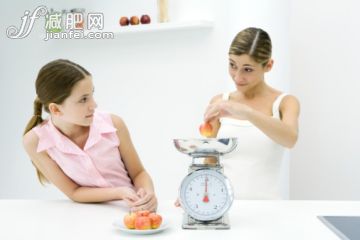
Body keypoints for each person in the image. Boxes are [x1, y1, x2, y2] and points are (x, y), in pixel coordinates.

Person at [23, 59, 157, 211]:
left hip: (128, 209)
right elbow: (74, 192)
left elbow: (139, 173)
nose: (94, 105)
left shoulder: (113, 124)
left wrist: (148, 194)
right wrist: (119, 192)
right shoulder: (34, 142)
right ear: (56, 110)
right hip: (85, 215)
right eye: (84, 99)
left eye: (92, 94)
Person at [203, 27, 300, 200]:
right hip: (223, 207)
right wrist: (197, 192)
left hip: (268, 210)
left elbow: (290, 139)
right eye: (232, 65)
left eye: (247, 69)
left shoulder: (285, 102)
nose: (237, 77)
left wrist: (245, 111)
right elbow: (210, 160)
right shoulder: (219, 102)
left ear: (268, 66)